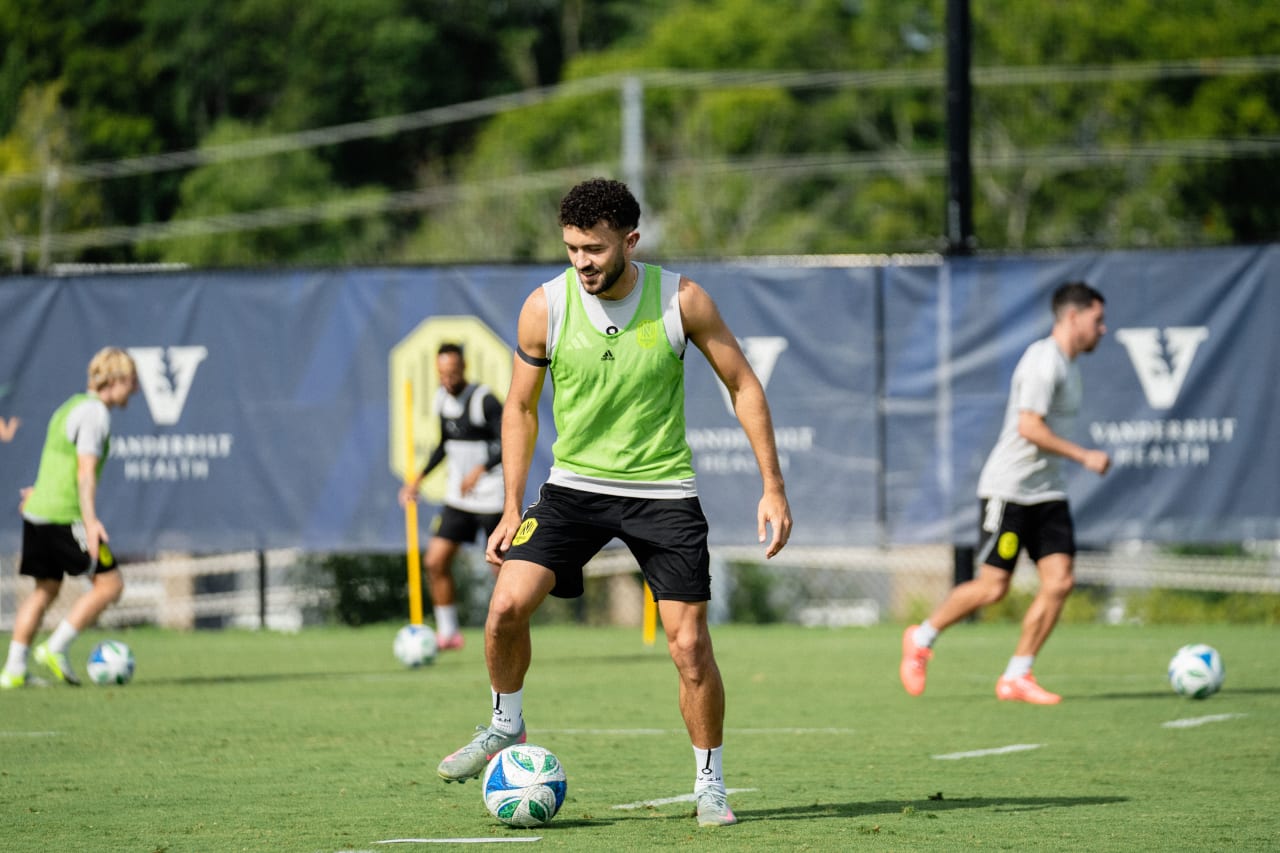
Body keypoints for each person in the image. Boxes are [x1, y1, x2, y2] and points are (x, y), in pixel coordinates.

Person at [435, 178, 792, 827]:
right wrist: (512, 506)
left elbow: (743, 384)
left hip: (663, 492)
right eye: (572, 248)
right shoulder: (544, 307)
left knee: (689, 646)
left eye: (594, 249)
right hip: (574, 488)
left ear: (630, 240)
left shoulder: (682, 300)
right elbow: (517, 407)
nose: (582, 262)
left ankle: (709, 782)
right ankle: (504, 723)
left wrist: (772, 484)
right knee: (505, 606)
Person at [900, 282, 1110, 705]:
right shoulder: (1042, 362)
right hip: (1010, 491)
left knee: (1061, 581)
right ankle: (921, 637)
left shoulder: (1070, 366)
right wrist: (1084, 456)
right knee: (993, 587)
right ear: (1073, 316)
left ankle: (1018, 674)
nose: (1103, 329)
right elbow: (1028, 427)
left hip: (1048, 493)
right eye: (1097, 319)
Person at [1, 347, 138, 689]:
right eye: (131, 381)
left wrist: (38, 490)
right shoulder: (95, 414)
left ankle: (14, 668)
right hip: (65, 514)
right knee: (111, 585)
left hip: (39, 511)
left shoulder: (70, 406)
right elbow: (84, 472)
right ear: (116, 379)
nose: (135, 390)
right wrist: (90, 522)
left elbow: (55, 457)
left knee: (45, 589)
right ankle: (55, 648)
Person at [398, 343, 504, 651]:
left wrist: (480, 469)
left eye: (452, 373)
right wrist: (417, 480)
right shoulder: (441, 399)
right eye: (442, 374)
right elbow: (444, 444)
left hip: (491, 497)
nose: (447, 379)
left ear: (464, 368)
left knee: (501, 571)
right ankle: (448, 634)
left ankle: (505, 630)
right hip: (458, 499)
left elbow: (506, 442)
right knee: (435, 561)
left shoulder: (484, 401)